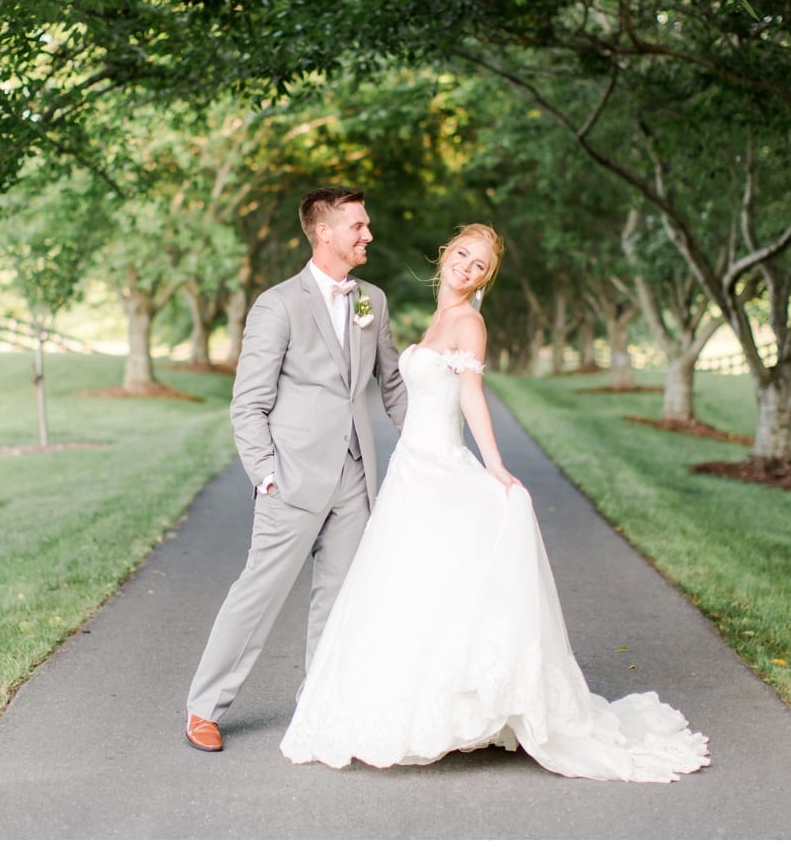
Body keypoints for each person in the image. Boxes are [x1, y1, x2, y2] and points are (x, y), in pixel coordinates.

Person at [279, 224, 711, 781]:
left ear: (487, 277)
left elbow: (470, 396)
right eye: (461, 254)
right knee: (406, 582)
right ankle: (406, 700)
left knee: (432, 581)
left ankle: (453, 708)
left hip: (438, 467)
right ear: (444, 255)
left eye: (479, 265)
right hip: (410, 469)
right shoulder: (439, 316)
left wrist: (495, 465)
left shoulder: (468, 322)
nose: (466, 267)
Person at [184, 187, 409, 752]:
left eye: (367, 225)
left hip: (355, 476)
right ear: (324, 232)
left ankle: (320, 708)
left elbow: (393, 383)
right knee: (259, 593)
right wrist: (265, 473)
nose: (368, 235)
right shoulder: (278, 304)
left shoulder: (371, 301)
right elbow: (249, 402)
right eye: (358, 226)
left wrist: (432, 442)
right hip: (291, 477)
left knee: (339, 599)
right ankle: (204, 708)